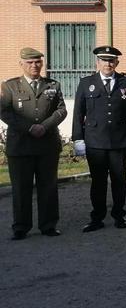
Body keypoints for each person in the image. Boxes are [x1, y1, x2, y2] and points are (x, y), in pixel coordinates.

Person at [71, 45, 126, 232]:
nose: (108, 64)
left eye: (111, 60)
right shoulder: (87, 83)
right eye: (104, 60)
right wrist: (78, 138)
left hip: (120, 140)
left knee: (119, 180)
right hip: (95, 141)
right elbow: (79, 112)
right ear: (97, 62)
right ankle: (97, 217)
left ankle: (119, 215)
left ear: (117, 62)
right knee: (98, 182)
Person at [1, 47, 67, 239]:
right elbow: (5, 112)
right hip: (20, 146)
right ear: (21, 64)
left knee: (48, 187)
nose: (34, 66)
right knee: (21, 188)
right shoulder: (10, 86)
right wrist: (29, 128)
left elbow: (61, 110)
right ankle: (21, 227)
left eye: (38, 62)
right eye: (29, 62)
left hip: (47, 145)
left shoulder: (53, 84)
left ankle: (48, 225)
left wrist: (45, 126)